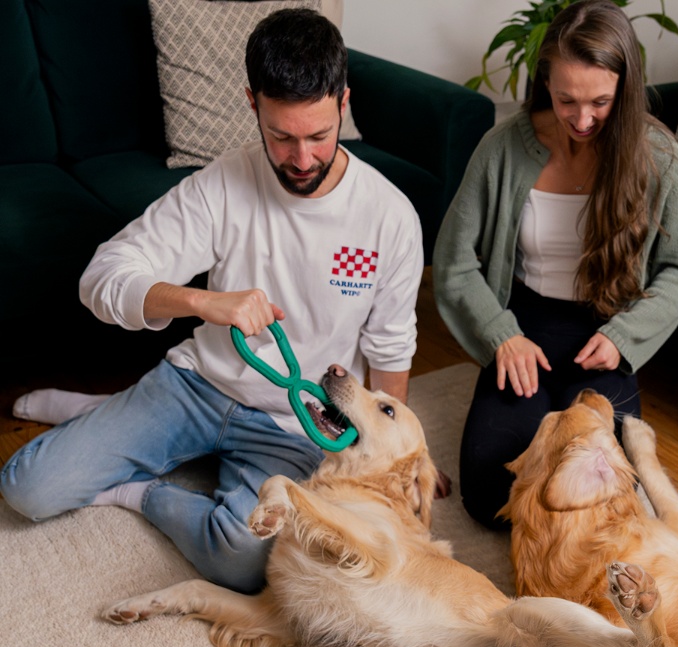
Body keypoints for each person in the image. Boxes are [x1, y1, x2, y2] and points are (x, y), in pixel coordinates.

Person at [1, 9, 423, 593]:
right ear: (252, 104)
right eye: (281, 136)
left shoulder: (391, 217)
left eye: (319, 136)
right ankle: (105, 416)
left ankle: (136, 487)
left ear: (343, 103)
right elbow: (101, 278)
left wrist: (389, 463)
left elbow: (391, 345)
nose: (302, 158)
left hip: (294, 424)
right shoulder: (221, 185)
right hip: (196, 388)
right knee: (29, 489)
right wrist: (202, 301)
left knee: (250, 564)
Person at [432, 0, 678, 529]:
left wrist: (625, 336)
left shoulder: (659, 156)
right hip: (523, 329)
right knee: (490, 494)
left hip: (603, 336)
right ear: (546, 84)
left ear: (626, 87)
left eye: (601, 102)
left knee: (607, 492)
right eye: (566, 100)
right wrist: (499, 335)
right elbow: (454, 260)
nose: (582, 120)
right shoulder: (502, 149)